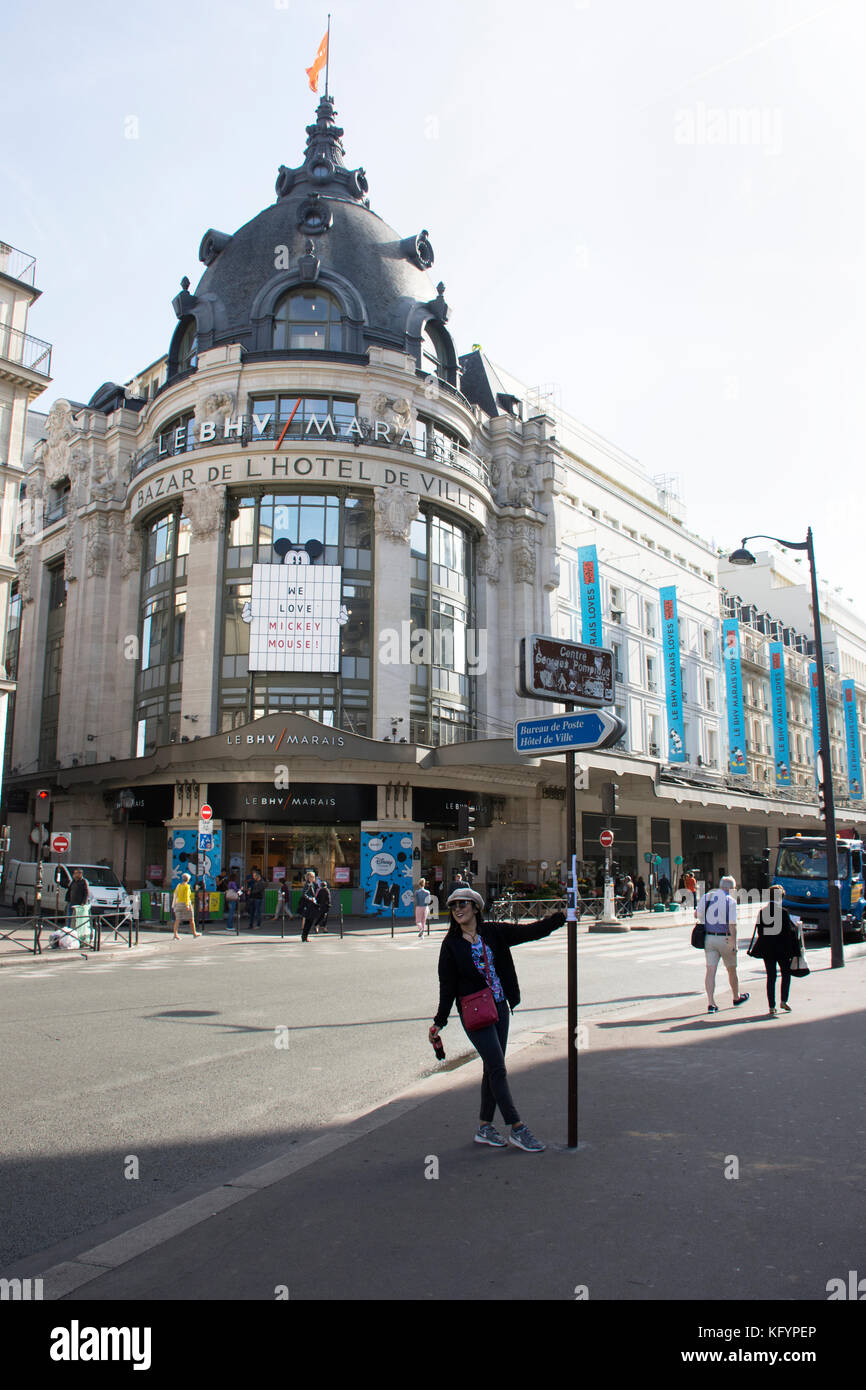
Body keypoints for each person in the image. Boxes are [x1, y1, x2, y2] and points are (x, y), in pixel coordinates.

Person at [429, 887, 566, 1152]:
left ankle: (484, 1127)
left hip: (500, 1007)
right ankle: (517, 1127)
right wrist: (440, 1021)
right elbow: (447, 987)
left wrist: (559, 918)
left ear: (476, 908)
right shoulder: (451, 945)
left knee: (492, 1067)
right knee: (498, 1068)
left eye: (463, 904)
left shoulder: (493, 932)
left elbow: (528, 933)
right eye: (454, 905)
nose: (458, 909)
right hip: (475, 1012)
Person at [696, 874, 748, 1014]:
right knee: (731, 969)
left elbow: (697, 914)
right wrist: (734, 943)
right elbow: (732, 925)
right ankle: (736, 996)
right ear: (730, 888)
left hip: (709, 938)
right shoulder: (730, 901)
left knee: (710, 971)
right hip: (724, 939)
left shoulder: (707, 897)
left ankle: (711, 1003)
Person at [751, 884, 799, 1017]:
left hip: (768, 949)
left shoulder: (762, 912)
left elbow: (760, 932)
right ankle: (784, 1000)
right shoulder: (783, 912)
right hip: (783, 950)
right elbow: (788, 933)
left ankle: (771, 1006)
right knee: (786, 974)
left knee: (771, 977)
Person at [171, 873, 199, 939]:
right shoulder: (187, 886)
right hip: (185, 904)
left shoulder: (179, 886)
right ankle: (194, 933)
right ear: (188, 879)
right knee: (191, 919)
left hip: (178, 904)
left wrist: (174, 904)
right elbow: (187, 896)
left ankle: (175, 934)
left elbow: (175, 894)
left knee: (177, 919)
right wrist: (187, 905)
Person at [299, 872, 320, 941]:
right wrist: (311, 898)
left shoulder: (312, 884)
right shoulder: (308, 885)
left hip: (310, 905)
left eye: (314, 877)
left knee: (309, 921)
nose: (314, 878)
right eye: (313, 877)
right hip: (309, 906)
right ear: (309, 877)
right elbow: (304, 894)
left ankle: (304, 936)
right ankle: (304, 936)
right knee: (309, 921)